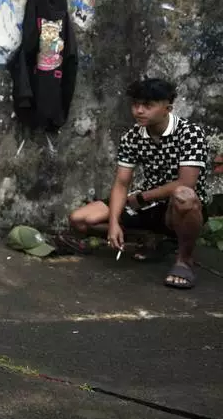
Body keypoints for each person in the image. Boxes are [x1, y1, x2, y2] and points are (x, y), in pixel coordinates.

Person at [66, 78, 209, 289]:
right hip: (146, 204)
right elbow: (122, 183)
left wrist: (143, 197)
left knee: (183, 196)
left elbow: (186, 183)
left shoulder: (190, 133)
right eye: (135, 104)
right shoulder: (132, 137)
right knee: (80, 219)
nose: (139, 111)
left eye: (147, 105)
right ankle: (151, 240)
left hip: (176, 207)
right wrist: (114, 223)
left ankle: (184, 260)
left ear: (166, 108)